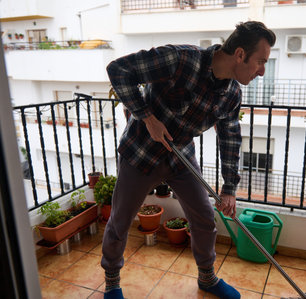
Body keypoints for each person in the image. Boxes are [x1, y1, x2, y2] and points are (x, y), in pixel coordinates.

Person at [101, 21, 276, 299]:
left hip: (181, 157)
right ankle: (112, 282)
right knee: (120, 220)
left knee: (205, 219)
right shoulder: (180, 59)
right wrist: (147, 117)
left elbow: (230, 137)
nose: (262, 71)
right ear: (240, 54)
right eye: (260, 62)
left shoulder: (231, 93)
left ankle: (207, 278)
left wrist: (229, 188)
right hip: (141, 154)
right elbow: (118, 70)